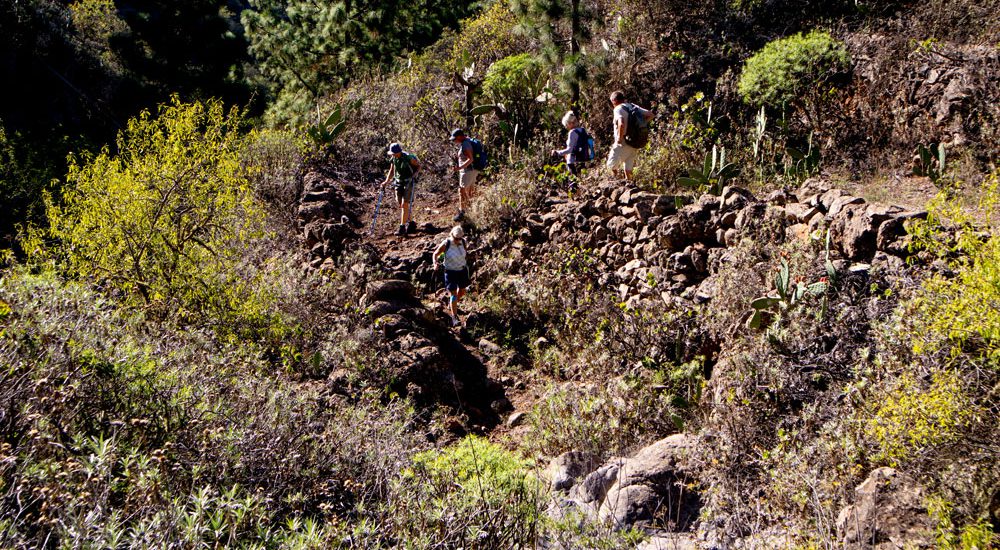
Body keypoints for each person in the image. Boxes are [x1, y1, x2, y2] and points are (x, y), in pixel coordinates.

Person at [606, 90, 654, 182]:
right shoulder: (632, 106)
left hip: (623, 141)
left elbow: (621, 123)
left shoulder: (618, 109)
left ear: (614, 101)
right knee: (628, 168)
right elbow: (650, 114)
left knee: (610, 167)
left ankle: (613, 187)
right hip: (634, 141)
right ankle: (630, 186)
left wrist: (619, 139)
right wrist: (639, 125)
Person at [432, 225, 470, 327]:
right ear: (452, 235)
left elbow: (466, 253)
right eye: (456, 238)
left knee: (462, 291)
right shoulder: (446, 243)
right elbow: (435, 254)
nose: (458, 240)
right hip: (450, 272)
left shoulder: (463, 242)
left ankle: (451, 304)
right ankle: (454, 318)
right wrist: (435, 263)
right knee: (453, 295)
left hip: (462, 270)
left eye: (459, 238)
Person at [380, 142, 421, 235]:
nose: (393, 155)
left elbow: (419, 166)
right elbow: (392, 170)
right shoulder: (394, 158)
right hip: (398, 182)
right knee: (400, 203)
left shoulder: (408, 157)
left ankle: (402, 227)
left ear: (399, 152)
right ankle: (411, 223)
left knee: (404, 204)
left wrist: (415, 174)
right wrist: (386, 181)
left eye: (394, 153)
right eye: (392, 154)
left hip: (408, 182)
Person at [551, 110, 589, 193]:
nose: (566, 127)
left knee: (573, 182)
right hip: (582, 159)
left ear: (570, 123)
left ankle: (575, 197)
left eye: (566, 124)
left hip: (572, 160)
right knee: (579, 180)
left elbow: (570, 149)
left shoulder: (572, 132)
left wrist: (557, 152)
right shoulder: (582, 130)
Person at [449, 129, 478, 221]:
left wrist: (459, 167)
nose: (454, 141)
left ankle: (462, 213)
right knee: (470, 191)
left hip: (467, 171)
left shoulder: (465, 144)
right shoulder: (467, 141)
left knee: (461, 191)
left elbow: (470, 159)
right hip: (471, 170)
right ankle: (472, 212)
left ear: (460, 136)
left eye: (455, 138)